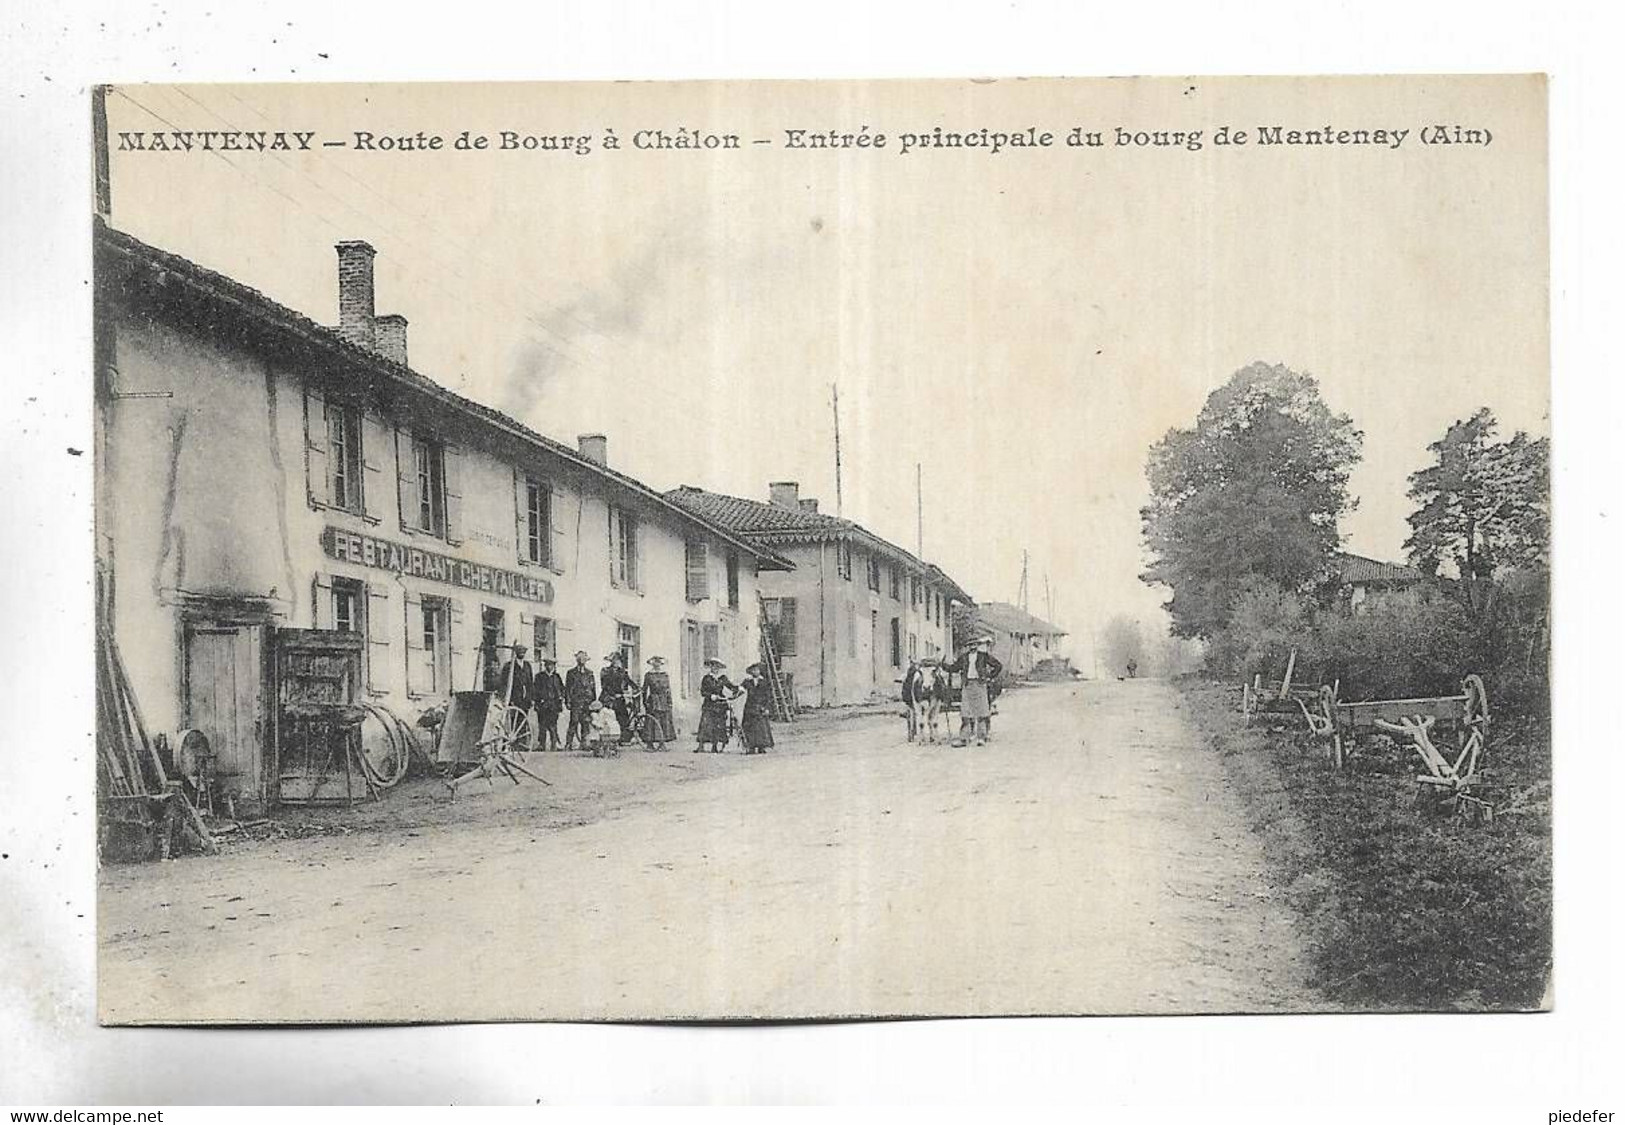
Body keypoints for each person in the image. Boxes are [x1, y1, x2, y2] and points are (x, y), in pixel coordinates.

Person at [945, 636, 1003, 746]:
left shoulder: (983, 656)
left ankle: (982, 738)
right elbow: (954, 668)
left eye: (975, 644)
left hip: (980, 685)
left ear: (977, 645)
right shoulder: (964, 657)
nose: (973, 646)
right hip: (967, 685)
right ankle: (963, 739)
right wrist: (943, 665)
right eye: (971, 644)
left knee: (982, 712)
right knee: (965, 713)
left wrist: (990, 676)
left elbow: (998, 666)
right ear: (968, 646)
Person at [495, 643, 535, 750]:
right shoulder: (509, 666)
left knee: (523, 721)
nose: (522, 653)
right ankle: (513, 744)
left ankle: (522, 744)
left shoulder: (527, 666)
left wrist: (531, 698)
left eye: (523, 652)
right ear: (516, 653)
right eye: (520, 651)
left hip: (525, 698)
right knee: (513, 722)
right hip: (513, 698)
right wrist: (506, 699)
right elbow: (504, 683)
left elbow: (530, 683)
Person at [695, 658, 739, 753]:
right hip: (709, 704)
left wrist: (738, 689)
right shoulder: (706, 678)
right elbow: (703, 692)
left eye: (717, 666)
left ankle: (715, 746)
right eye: (713, 666)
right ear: (710, 667)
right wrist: (711, 696)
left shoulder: (723, 678)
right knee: (706, 724)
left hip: (720, 705)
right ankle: (701, 745)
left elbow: (732, 687)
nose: (715, 668)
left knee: (719, 726)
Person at [641, 656, 677, 752]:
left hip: (664, 700)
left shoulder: (665, 675)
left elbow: (668, 689)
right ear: (652, 664)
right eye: (655, 663)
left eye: (659, 663)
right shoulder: (648, 675)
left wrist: (670, 701)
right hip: (653, 700)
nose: (657, 665)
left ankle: (662, 743)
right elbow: (644, 689)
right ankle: (649, 743)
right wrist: (644, 702)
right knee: (651, 721)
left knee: (664, 721)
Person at [600, 652, 636, 745]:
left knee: (624, 717)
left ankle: (623, 739)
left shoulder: (622, 672)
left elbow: (629, 681)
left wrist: (637, 689)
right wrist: (613, 695)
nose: (616, 662)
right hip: (608, 697)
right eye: (614, 660)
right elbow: (604, 686)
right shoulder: (605, 671)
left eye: (618, 660)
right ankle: (608, 739)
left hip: (619, 697)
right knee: (610, 718)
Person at [739, 662, 775, 754]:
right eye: (753, 670)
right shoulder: (747, 681)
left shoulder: (764, 682)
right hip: (750, 708)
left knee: (761, 728)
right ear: (751, 671)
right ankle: (751, 747)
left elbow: (768, 696)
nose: (755, 671)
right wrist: (739, 690)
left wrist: (767, 708)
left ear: (760, 671)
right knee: (749, 727)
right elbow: (740, 690)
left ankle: (761, 747)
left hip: (760, 707)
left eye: (757, 669)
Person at [564, 650, 597, 751]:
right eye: (580, 659)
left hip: (587, 702)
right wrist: (568, 701)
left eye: (584, 659)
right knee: (573, 722)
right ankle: (568, 744)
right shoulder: (571, 673)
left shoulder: (590, 673)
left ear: (586, 661)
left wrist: (593, 702)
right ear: (577, 660)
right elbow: (568, 688)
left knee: (585, 723)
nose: (582, 661)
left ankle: (584, 743)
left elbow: (593, 688)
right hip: (576, 702)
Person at [534, 656, 564, 751]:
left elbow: (562, 689)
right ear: (545, 665)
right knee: (542, 725)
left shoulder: (557, 677)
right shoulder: (539, 677)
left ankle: (554, 744)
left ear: (554, 666)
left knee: (553, 725)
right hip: (543, 704)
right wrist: (537, 701)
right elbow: (535, 690)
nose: (549, 667)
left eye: (551, 665)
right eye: (548, 664)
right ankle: (542, 744)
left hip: (554, 705)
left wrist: (560, 699)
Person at [900, 657, 927, 743]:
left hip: (912, 697)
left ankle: (913, 733)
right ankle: (915, 733)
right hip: (914, 697)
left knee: (913, 714)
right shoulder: (915, 674)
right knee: (914, 714)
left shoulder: (911, 674)